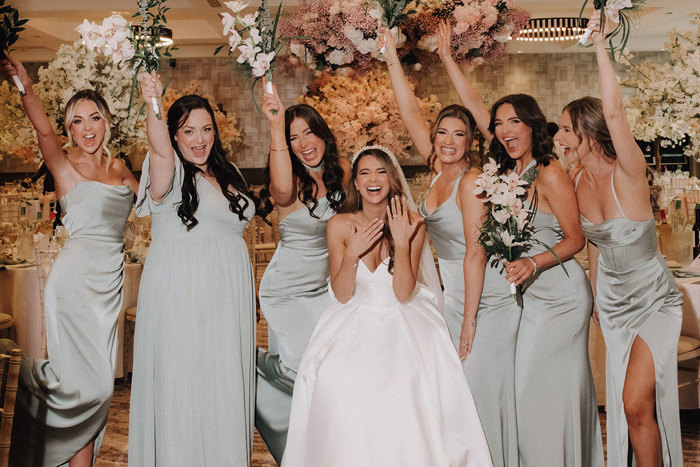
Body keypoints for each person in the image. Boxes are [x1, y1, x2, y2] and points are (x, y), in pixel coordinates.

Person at [440, 21, 604, 464]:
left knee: (538, 392)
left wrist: (532, 263)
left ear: (532, 125)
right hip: (528, 300)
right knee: (530, 396)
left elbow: (575, 239)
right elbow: (476, 111)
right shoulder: (507, 174)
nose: (505, 129)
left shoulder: (549, 171)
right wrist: (448, 61)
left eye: (515, 121)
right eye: (498, 124)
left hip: (561, 296)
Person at [282, 146, 492, 467]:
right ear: (355, 183)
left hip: (402, 316)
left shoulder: (413, 223)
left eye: (381, 171)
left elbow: (404, 292)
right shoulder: (339, 225)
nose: (373, 179)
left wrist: (403, 240)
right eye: (364, 173)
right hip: (354, 315)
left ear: (392, 178)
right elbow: (340, 294)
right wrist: (352, 254)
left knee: (405, 386)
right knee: (335, 378)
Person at [380, 25, 517, 466]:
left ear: (471, 141)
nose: (448, 141)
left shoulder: (471, 179)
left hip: (487, 298)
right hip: (453, 295)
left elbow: (477, 252)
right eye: (442, 132)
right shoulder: (438, 169)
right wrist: (389, 56)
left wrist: (470, 320)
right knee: (456, 394)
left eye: (459, 134)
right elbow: (408, 112)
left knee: (474, 391)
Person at [1, 56, 137, 466]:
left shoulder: (120, 169)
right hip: (74, 285)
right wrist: (24, 85)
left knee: (98, 389)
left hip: (108, 287)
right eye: (77, 121)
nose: (87, 128)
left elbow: (156, 199)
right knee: (88, 386)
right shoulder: (62, 165)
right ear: (69, 128)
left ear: (106, 122)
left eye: (94, 118)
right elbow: (42, 129)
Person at [565, 11, 683, 466]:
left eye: (565, 129)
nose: (559, 137)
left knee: (635, 403)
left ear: (590, 134)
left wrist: (599, 43)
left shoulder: (629, 172)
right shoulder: (576, 181)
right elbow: (594, 244)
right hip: (612, 305)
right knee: (631, 410)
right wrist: (596, 297)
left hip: (655, 300)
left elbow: (615, 111)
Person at [128, 72, 257, 465]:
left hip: (226, 302)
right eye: (187, 131)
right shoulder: (168, 169)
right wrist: (152, 104)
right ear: (175, 135)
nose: (199, 139)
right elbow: (160, 147)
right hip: (183, 297)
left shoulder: (229, 171)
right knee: (185, 384)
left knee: (223, 387)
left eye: (205, 129)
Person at [255, 81, 350, 462]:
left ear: (323, 133)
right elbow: (278, 194)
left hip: (327, 291)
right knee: (298, 371)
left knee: (327, 376)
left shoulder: (341, 171)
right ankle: (252, 369)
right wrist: (275, 127)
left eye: (308, 132)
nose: (303, 143)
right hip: (288, 291)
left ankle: (321, 452)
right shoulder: (289, 178)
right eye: (294, 138)